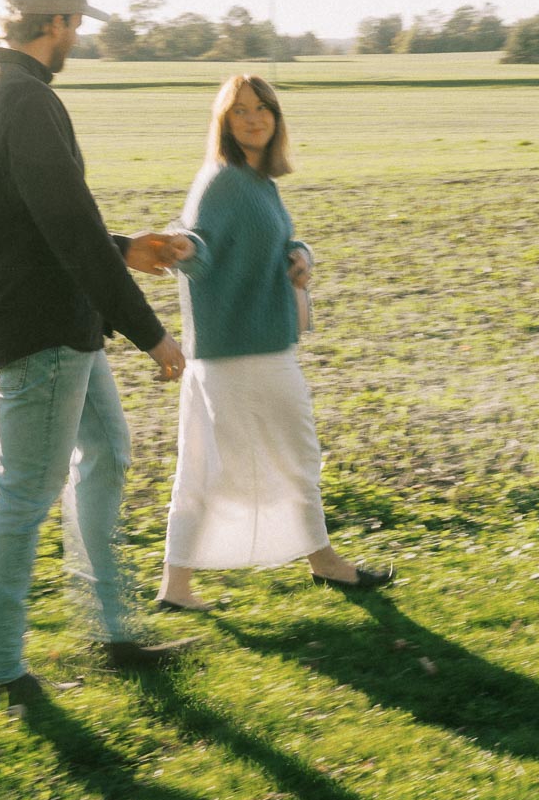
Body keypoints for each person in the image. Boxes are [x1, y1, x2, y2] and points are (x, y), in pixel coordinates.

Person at [0, 0, 194, 706]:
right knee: (23, 494)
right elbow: (62, 229)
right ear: (55, 23)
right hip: (44, 324)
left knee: (108, 455)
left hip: (58, 319)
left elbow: (48, 220)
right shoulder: (24, 99)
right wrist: (152, 334)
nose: (78, 40)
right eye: (77, 26)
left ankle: (110, 630)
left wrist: (124, 246)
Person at [156, 74, 393, 611]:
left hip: (243, 347)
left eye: (263, 107)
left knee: (206, 465)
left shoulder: (257, 181)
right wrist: (185, 249)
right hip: (245, 351)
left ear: (277, 117)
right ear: (224, 121)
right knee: (294, 456)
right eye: (240, 110)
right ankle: (324, 563)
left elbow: (272, 238)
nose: (254, 117)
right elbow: (202, 246)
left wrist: (301, 253)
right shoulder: (224, 180)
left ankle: (177, 588)